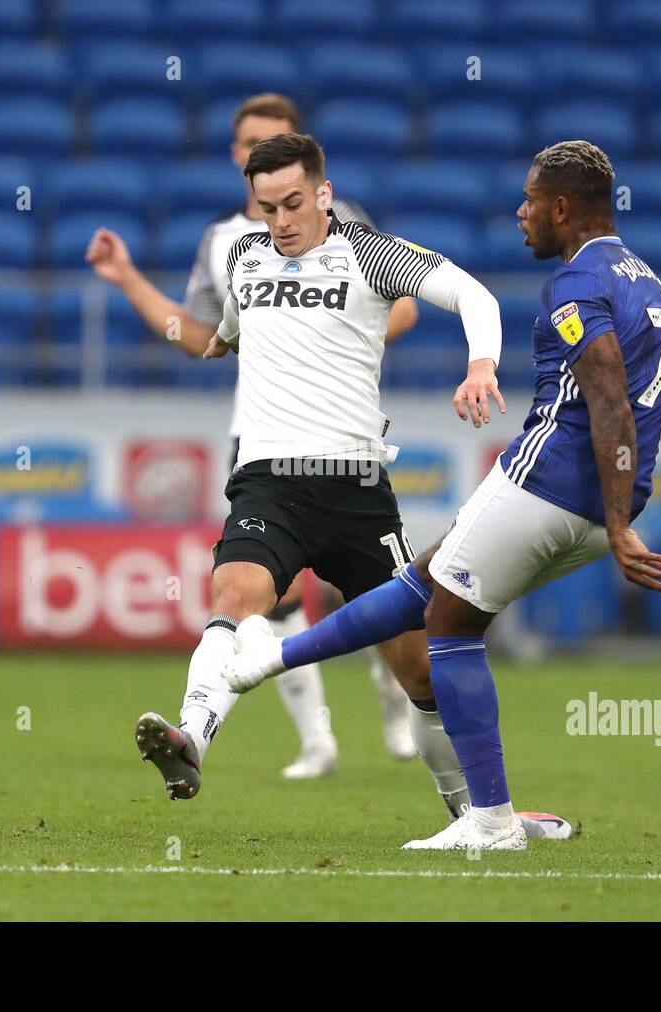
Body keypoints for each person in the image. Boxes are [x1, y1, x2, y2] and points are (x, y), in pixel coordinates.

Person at [224, 140, 661, 851]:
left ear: (562, 208)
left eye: (530, 200)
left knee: (447, 624)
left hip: (549, 481)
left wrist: (619, 524)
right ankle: (269, 665)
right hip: (603, 503)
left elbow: (609, 396)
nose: (520, 212)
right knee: (423, 587)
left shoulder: (577, 283)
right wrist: (619, 515)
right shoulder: (643, 278)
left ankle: (490, 820)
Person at [132, 132, 527, 835]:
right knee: (234, 597)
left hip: (355, 491)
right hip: (269, 481)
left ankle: (472, 815)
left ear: (322, 193)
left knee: (421, 674)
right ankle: (191, 739)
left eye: (291, 203)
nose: (280, 221)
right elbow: (226, 328)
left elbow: (473, 293)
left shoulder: (369, 252)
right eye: (266, 208)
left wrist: (482, 364)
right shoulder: (244, 257)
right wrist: (211, 336)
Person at [86, 94, 418, 778]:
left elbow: (406, 306)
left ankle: (395, 691)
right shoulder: (223, 245)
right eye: (246, 142)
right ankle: (302, 740)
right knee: (263, 594)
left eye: (272, 139)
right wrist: (126, 280)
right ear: (236, 156)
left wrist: (325, 347)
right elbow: (204, 336)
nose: (256, 150)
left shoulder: (343, 223)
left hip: (342, 439)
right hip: (262, 442)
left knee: (386, 612)